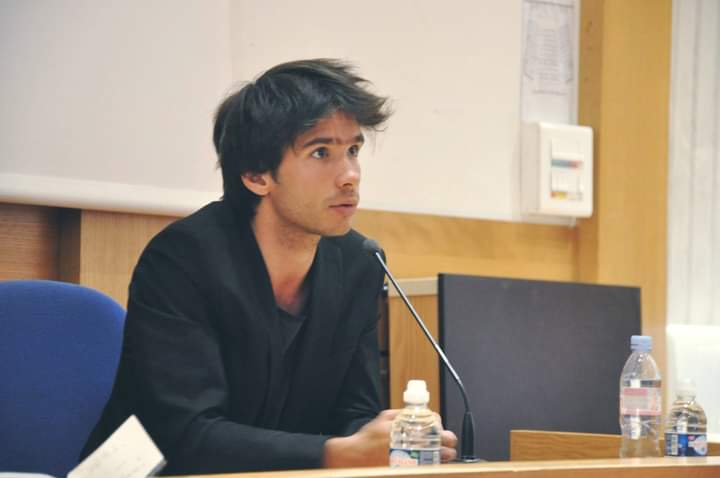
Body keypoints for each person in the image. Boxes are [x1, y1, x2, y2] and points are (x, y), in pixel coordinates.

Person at [81, 59, 457, 474]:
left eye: (353, 150)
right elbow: (185, 434)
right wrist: (338, 453)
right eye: (321, 153)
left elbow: (354, 413)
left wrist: (388, 442)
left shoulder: (358, 263)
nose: (350, 175)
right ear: (256, 176)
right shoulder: (183, 259)